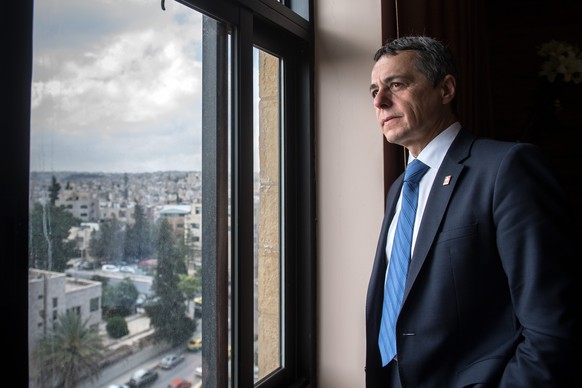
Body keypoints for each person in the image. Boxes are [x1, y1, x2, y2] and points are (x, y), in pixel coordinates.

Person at [365, 35, 581, 387]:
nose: (381, 101)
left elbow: (552, 328)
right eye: (373, 91)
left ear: (446, 89)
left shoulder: (507, 168)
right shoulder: (400, 189)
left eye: (397, 85)